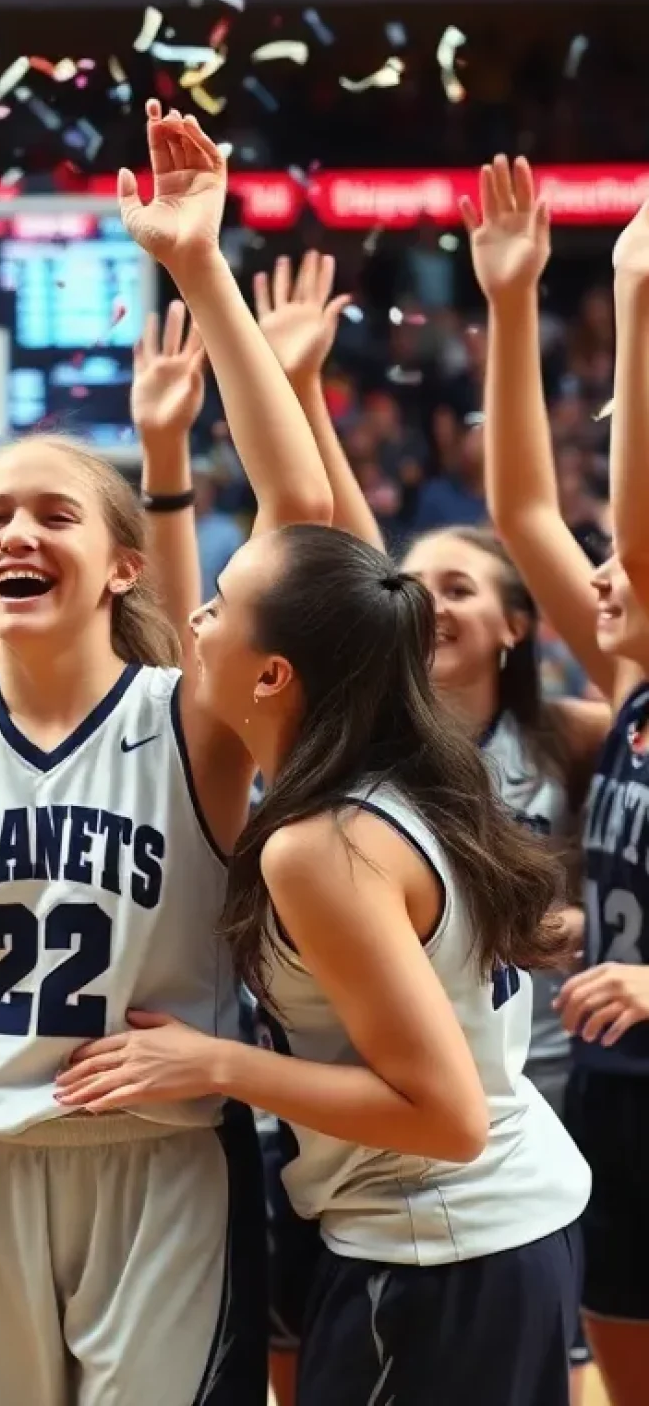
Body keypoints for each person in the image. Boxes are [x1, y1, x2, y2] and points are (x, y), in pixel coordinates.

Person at [0, 102, 335, 1406]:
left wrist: (200, 268)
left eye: (53, 512)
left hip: (163, 1166)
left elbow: (305, 526)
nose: (15, 529)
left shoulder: (188, 715)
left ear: (122, 562)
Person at [54, 522, 589, 1405]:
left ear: (273, 675)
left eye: (220, 606)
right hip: (498, 1231)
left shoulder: (318, 847)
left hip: (441, 1250)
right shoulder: (400, 778)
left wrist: (214, 1061)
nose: (196, 617)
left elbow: (448, 1116)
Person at [255, 249, 605, 1405]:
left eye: (462, 587)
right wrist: (297, 388)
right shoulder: (406, 760)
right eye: (420, 589)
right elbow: (357, 566)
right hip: (441, 1149)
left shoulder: (565, 732)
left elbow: (507, 521)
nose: (428, 599)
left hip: (492, 1141)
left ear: (517, 626)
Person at [470, 156, 649, 1405]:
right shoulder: (633, 689)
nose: (599, 573)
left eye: (623, 562)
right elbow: (526, 502)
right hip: (615, 1093)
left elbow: (611, 529)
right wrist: (519, 297)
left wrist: (638, 306)